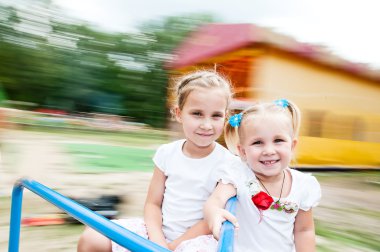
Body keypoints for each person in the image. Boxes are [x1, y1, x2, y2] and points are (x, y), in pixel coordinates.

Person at [77, 70, 237, 252]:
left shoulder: (229, 164)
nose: (207, 124)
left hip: (199, 240)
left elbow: (211, 219)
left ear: (226, 117)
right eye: (197, 114)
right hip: (157, 233)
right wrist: (157, 242)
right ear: (178, 113)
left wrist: (171, 247)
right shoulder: (166, 153)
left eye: (216, 116)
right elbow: (153, 204)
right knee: (92, 237)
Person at [204, 99, 321, 252]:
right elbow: (215, 201)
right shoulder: (238, 175)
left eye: (278, 140)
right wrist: (214, 213)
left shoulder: (303, 185)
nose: (269, 150)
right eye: (258, 142)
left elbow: (304, 230)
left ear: (292, 146)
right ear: (243, 151)